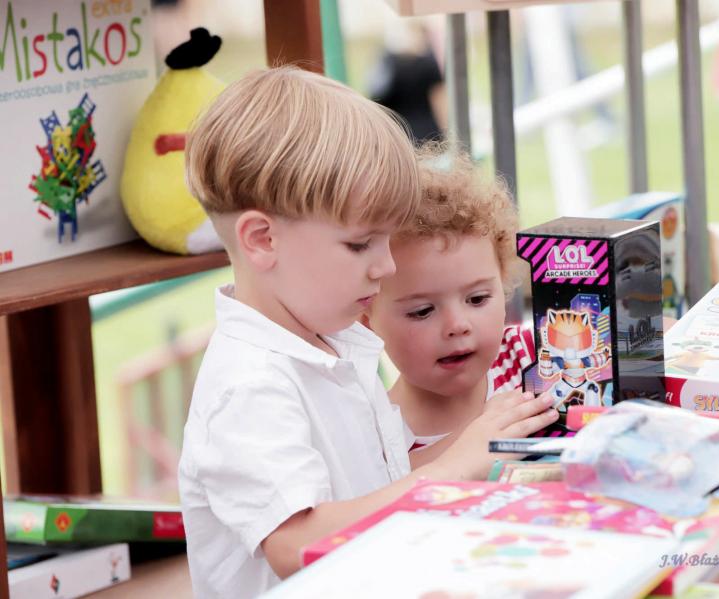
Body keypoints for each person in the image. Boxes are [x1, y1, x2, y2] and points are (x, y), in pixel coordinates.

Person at [177, 67, 557, 599]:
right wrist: (457, 464)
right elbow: (296, 544)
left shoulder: (325, 341)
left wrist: (490, 446)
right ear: (262, 239)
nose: (386, 266)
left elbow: (379, 490)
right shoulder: (249, 387)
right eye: (361, 245)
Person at [366, 151, 537, 464]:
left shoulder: (535, 357)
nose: (458, 325)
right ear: (366, 319)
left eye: (477, 299)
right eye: (422, 311)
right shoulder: (377, 439)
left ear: (502, 284)